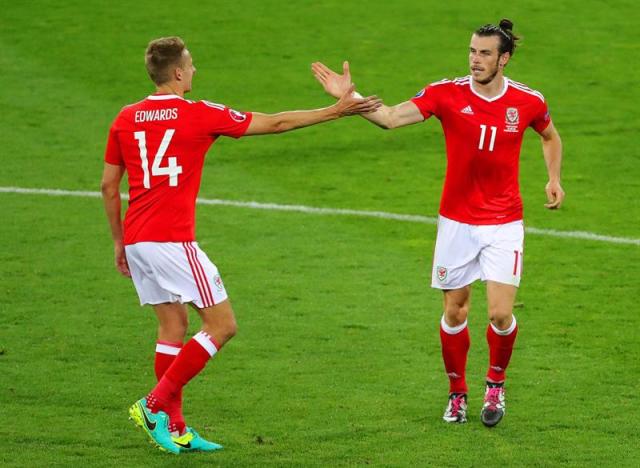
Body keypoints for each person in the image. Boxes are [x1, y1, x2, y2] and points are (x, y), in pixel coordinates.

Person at [101, 36, 381, 454]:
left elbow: (109, 185)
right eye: (191, 65)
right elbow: (276, 122)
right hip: (173, 240)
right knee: (222, 325)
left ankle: (175, 427)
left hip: (139, 239)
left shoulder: (126, 117)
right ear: (177, 73)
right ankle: (154, 405)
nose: (194, 71)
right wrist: (335, 111)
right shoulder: (200, 114)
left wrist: (121, 241)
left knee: (173, 327)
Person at [312, 19, 564, 427]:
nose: (475, 60)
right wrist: (350, 97)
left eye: (484, 53)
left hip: (504, 221)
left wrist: (553, 179)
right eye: (471, 51)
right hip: (457, 223)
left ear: (504, 58)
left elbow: (550, 136)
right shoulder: (446, 94)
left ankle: (495, 384)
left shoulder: (527, 101)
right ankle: (457, 392)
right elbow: (391, 118)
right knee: (455, 310)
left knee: (500, 314)